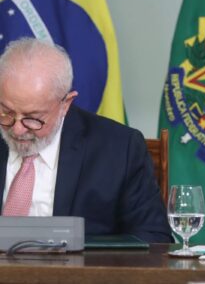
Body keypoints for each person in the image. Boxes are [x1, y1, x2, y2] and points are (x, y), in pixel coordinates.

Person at [0, 37, 173, 243]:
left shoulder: (118, 149)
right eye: (6, 112)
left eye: (33, 118)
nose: (17, 130)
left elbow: (154, 240)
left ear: (66, 103)